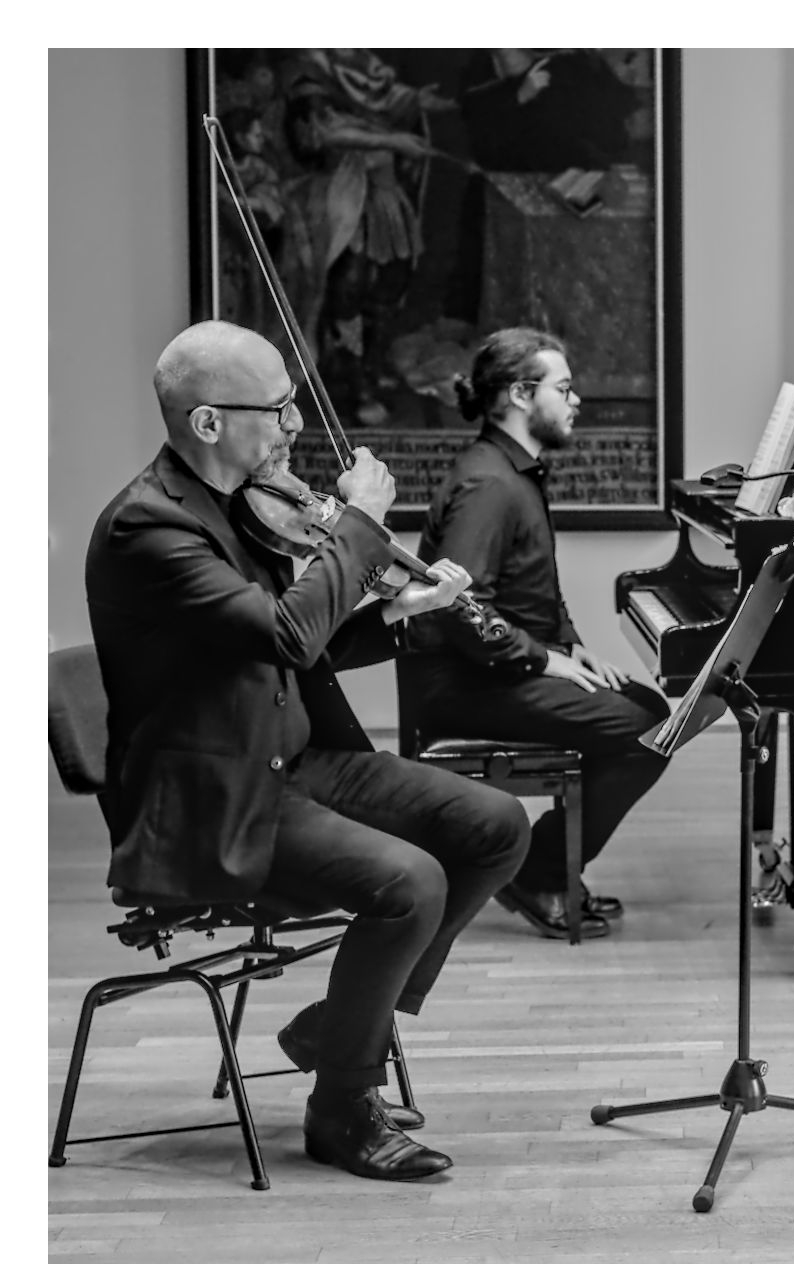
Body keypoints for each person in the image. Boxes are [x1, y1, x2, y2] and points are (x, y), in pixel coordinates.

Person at [85, 320, 532, 1182]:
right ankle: (343, 1109)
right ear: (209, 422)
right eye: (278, 408)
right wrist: (360, 523)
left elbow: (300, 643)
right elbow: (288, 633)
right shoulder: (148, 527)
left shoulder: (242, 502)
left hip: (295, 760)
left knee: (495, 823)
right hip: (214, 798)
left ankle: (335, 1027)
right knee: (412, 882)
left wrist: (396, 614)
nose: (295, 426)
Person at [400, 327, 671, 940]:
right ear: (522, 394)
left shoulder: (511, 470)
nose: (577, 401)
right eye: (566, 388)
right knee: (647, 731)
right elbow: (461, 609)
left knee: (650, 708)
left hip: (493, 668)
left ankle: (550, 867)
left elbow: (536, 590)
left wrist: (570, 646)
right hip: (463, 683)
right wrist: (544, 662)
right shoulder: (490, 484)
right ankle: (538, 872)